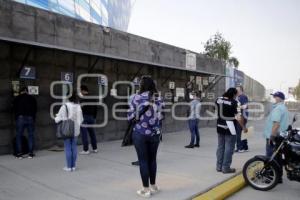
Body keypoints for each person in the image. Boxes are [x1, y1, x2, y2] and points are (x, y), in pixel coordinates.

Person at [128, 76, 163, 198]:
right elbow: (160, 116)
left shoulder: (136, 98)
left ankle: (145, 189)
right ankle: (153, 186)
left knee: (143, 161)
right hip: (155, 133)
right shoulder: (158, 98)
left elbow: (130, 116)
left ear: (142, 85)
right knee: (152, 160)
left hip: (140, 133)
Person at [215, 88, 247, 174]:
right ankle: (225, 167)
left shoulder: (218, 99)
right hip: (230, 126)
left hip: (220, 125)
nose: (237, 96)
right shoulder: (235, 102)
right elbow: (238, 117)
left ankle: (219, 166)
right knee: (229, 148)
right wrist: (243, 127)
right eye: (236, 95)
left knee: (221, 146)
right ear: (233, 94)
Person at [263, 91, 288, 183]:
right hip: (280, 136)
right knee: (278, 158)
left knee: (270, 158)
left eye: (275, 97)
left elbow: (276, 124)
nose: (274, 98)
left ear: (280, 98)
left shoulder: (278, 109)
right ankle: (278, 177)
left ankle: (270, 177)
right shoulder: (283, 107)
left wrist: (271, 137)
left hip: (274, 136)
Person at [55, 92, 83, 172]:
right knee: (74, 147)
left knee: (67, 147)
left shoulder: (64, 106)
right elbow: (81, 119)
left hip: (66, 130)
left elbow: (59, 118)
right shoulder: (78, 106)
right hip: (76, 130)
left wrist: (57, 118)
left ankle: (68, 167)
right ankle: (73, 166)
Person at [13, 87, 37, 159]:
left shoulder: (17, 98)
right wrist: (33, 118)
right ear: (27, 91)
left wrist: (17, 117)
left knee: (19, 136)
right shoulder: (32, 98)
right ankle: (30, 154)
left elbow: (14, 108)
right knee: (30, 135)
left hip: (20, 118)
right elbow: (35, 109)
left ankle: (19, 154)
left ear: (21, 92)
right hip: (30, 118)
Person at [79, 85, 98, 155]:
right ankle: (95, 148)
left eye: (80, 90)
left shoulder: (83, 99)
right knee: (92, 133)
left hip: (84, 117)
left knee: (84, 134)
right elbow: (96, 108)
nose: (80, 92)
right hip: (92, 117)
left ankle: (86, 150)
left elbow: (80, 109)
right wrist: (94, 117)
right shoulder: (93, 98)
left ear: (83, 90)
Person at [235, 86, 249, 153]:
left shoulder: (242, 97)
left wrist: (237, 106)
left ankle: (239, 148)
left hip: (241, 117)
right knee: (243, 131)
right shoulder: (238, 97)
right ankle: (245, 147)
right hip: (241, 116)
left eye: (237, 90)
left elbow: (245, 106)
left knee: (238, 133)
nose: (236, 91)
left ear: (241, 90)